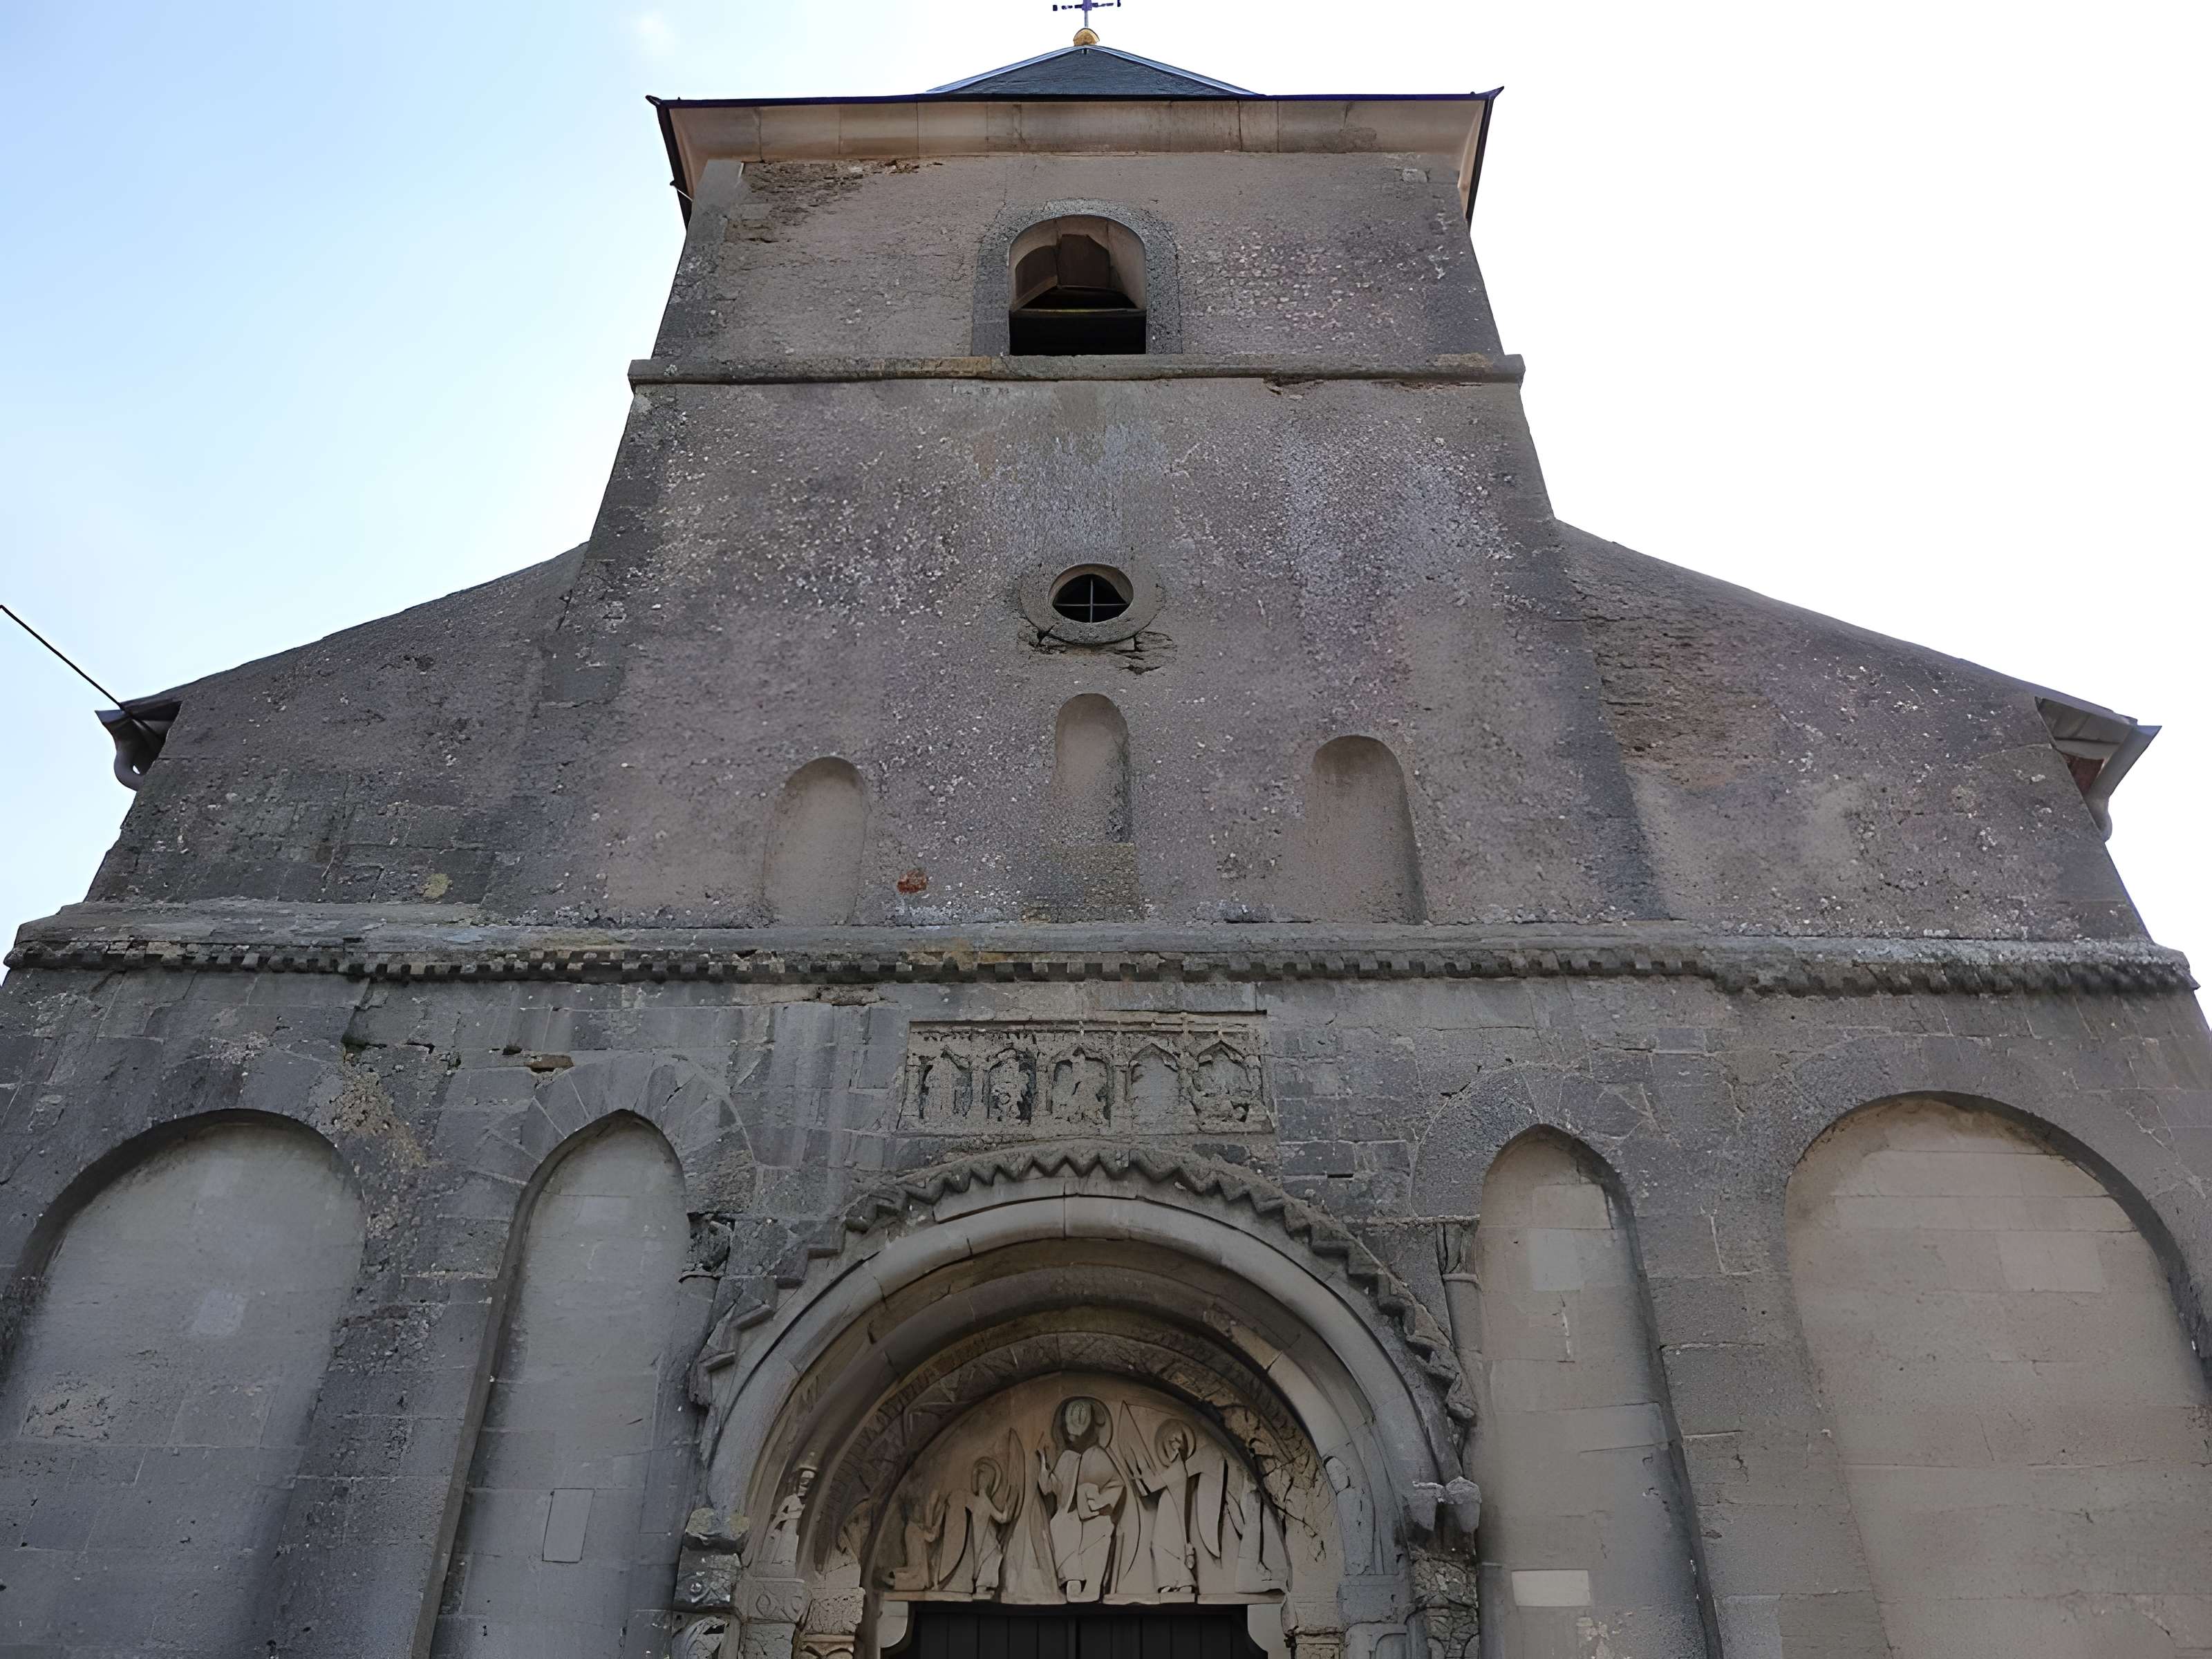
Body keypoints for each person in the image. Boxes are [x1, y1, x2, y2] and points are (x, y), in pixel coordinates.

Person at [1036, 1397, 1123, 1600]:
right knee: (1060, 1525)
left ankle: (1092, 1586)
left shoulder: (1099, 1455)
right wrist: (1043, 1467)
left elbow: (1116, 1485)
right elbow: (1053, 1487)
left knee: (1100, 1532)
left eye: (1077, 1430)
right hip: (1069, 1514)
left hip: (1095, 1516)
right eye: (1068, 1430)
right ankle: (1072, 1579)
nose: (1071, 1436)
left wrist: (1102, 1502)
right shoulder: (1066, 1458)